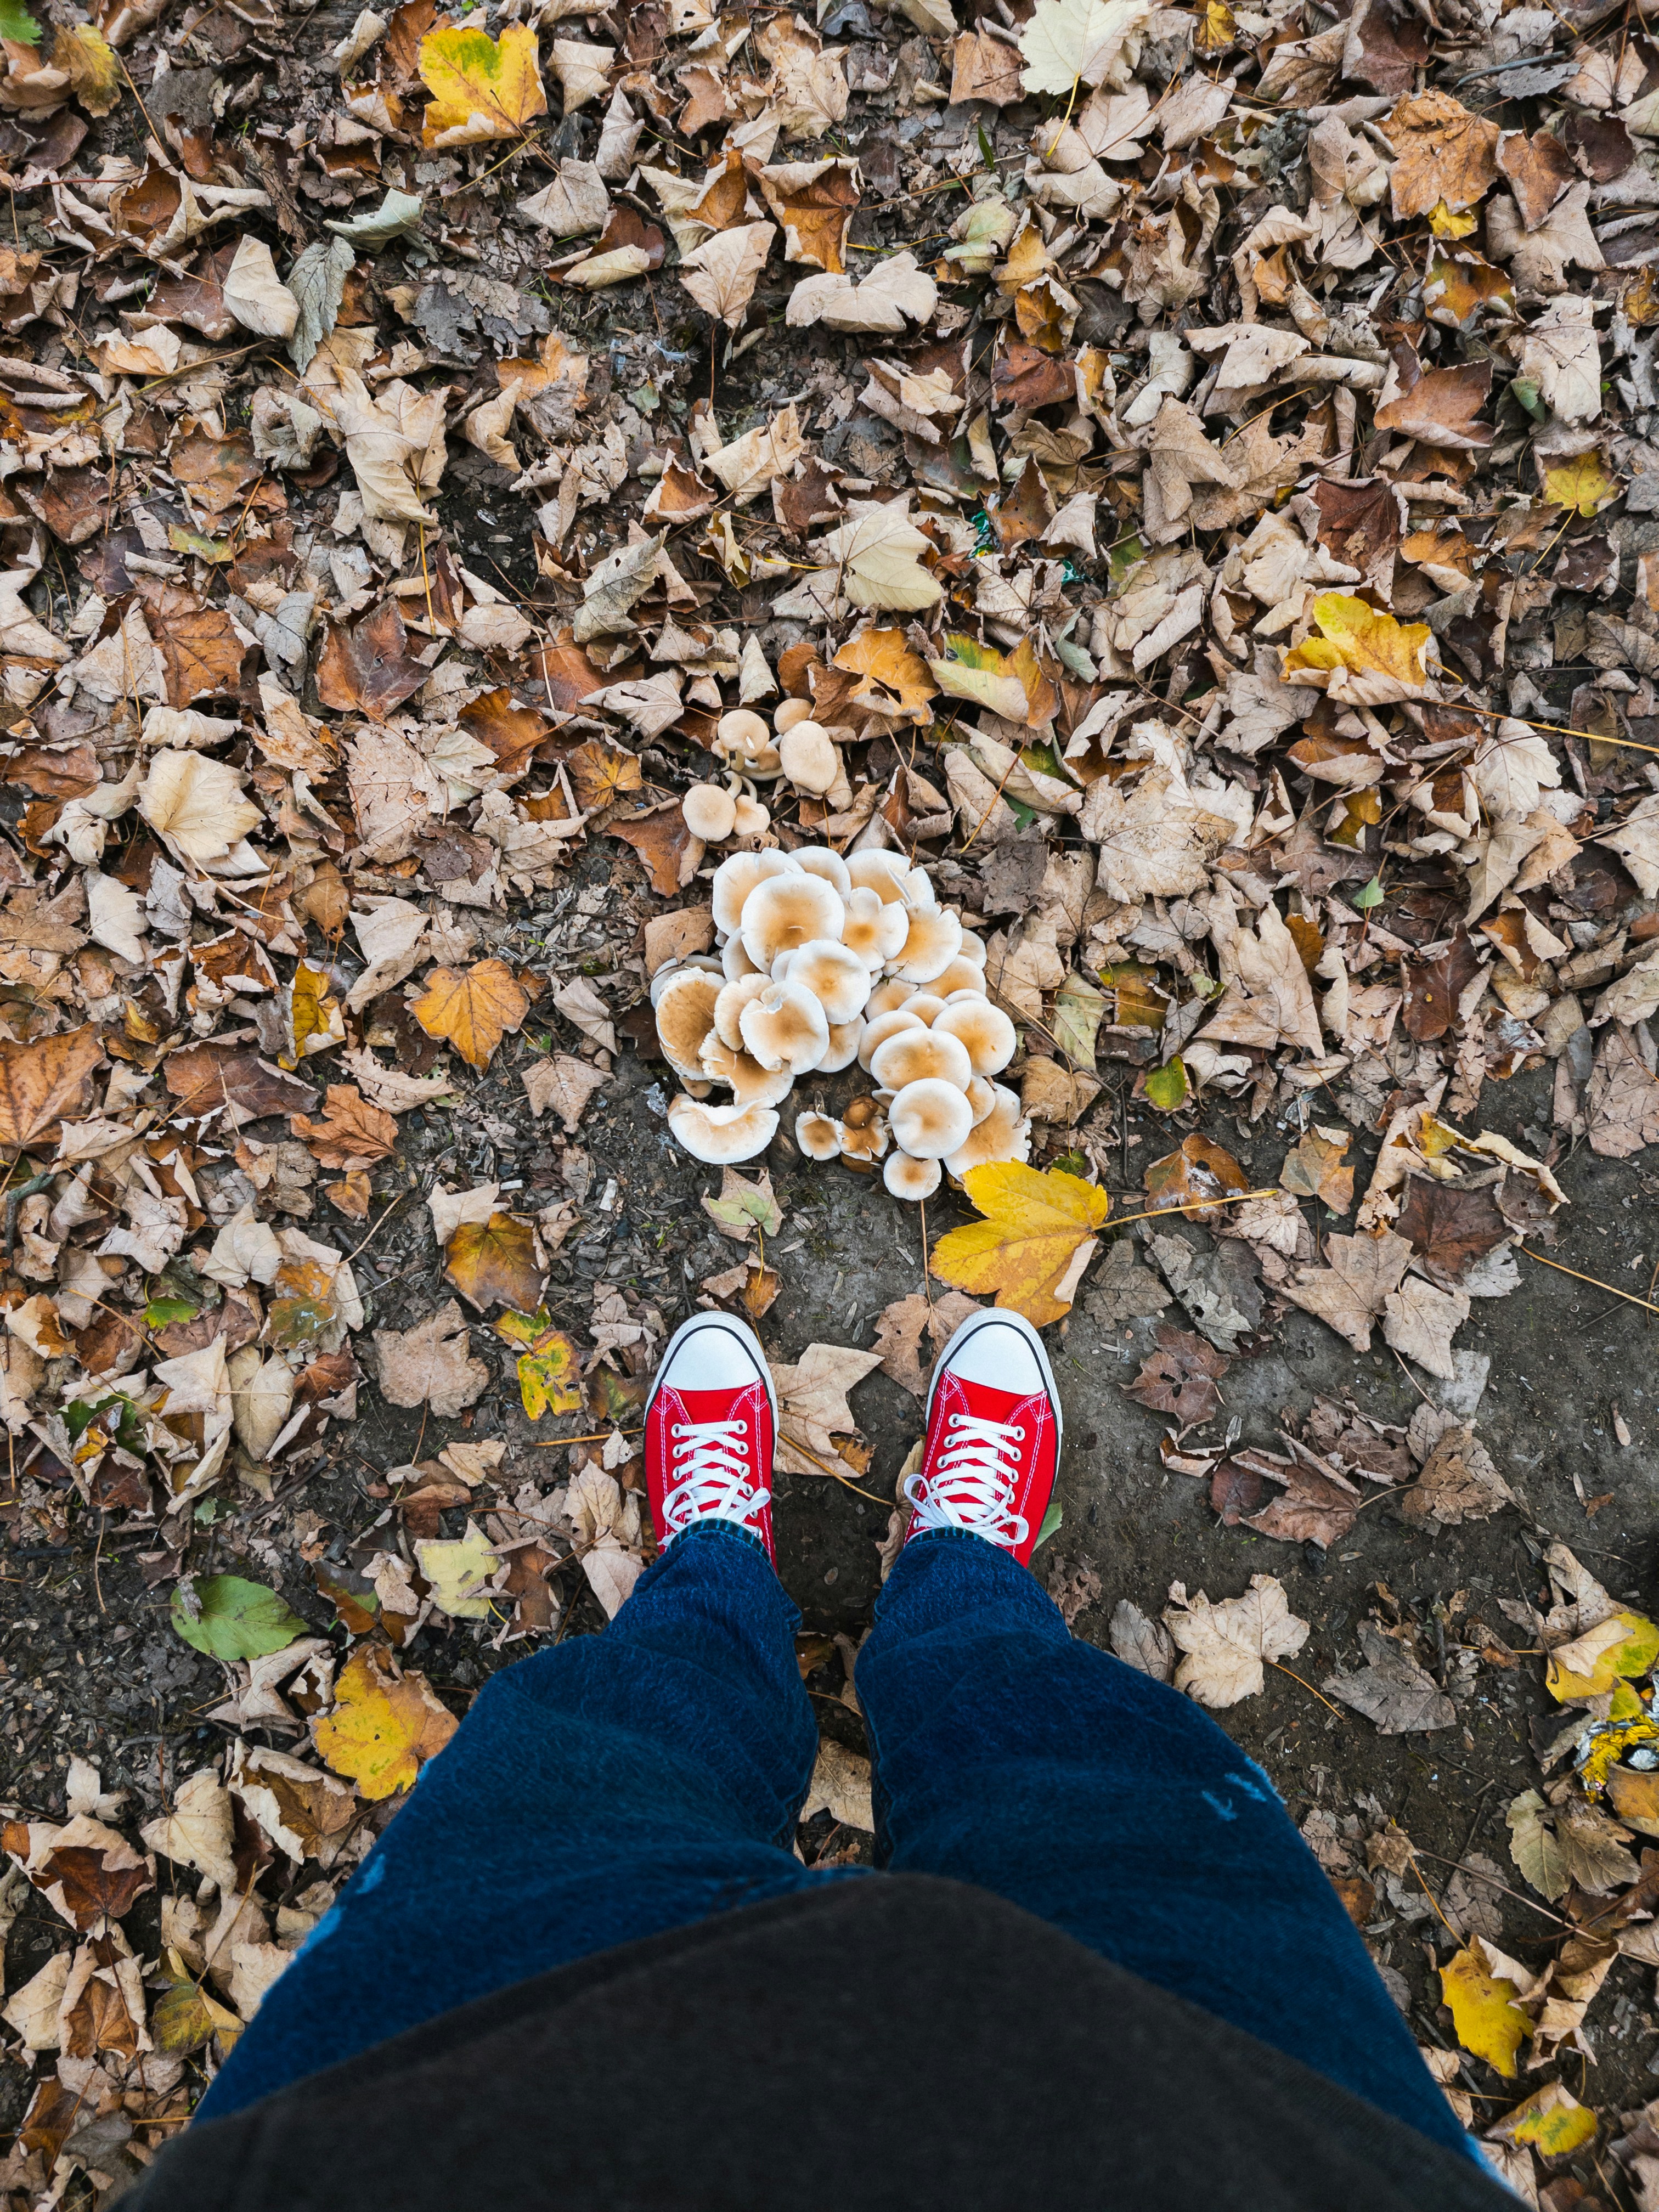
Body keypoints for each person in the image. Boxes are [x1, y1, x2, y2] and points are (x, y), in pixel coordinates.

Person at [132, 1310, 1509, 2210]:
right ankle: (955, 1576)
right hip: (1237, 2139)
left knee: (585, 1784)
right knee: (1101, 1803)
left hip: (452, 2139)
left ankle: (721, 1573)